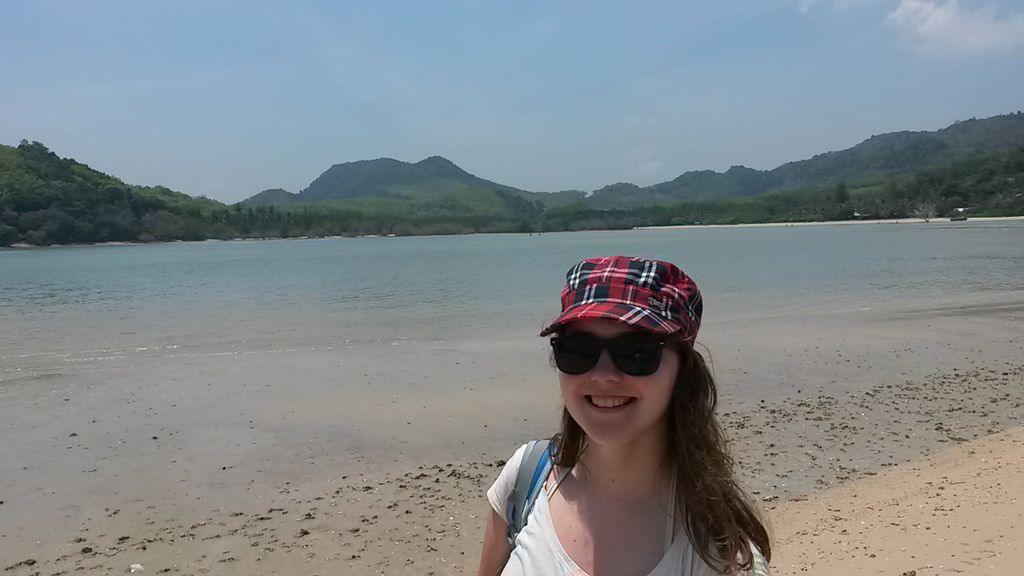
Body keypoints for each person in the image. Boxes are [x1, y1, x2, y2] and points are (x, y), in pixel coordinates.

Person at [476, 255, 771, 576]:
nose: (603, 375)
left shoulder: (723, 557)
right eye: (578, 350)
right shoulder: (525, 479)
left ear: (683, 371)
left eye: (636, 352)